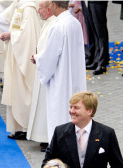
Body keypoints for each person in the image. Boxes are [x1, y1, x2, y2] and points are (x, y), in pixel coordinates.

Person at [0, 0, 41, 140]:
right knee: (16, 90)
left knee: (23, 90)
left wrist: (11, 35)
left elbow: (28, 34)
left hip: (23, 58)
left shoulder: (29, 8)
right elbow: (8, 15)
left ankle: (27, 127)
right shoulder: (19, 4)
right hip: (16, 56)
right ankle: (19, 128)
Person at [31, 1, 86, 143]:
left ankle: (60, 148)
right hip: (75, 76)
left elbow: (50, 56)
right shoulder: (74, 22)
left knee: (59, 115)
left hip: (61, 81)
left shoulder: (57, 26)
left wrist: (37, 58)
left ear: (54, 5)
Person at [26, 0, 56, 151]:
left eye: (41, 9)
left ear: (49, 9)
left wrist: (38, 57)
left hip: (49, 72)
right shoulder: (48, 23)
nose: (38, 11)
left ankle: (47, 137)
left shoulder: (54, 24)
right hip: (42, 67)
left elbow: (51, 50)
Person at [82, 1, 109, 75]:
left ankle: (102, 63)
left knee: (100, 32)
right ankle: (97, 60)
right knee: (94, 32)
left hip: (97, 2)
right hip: (90, 2)